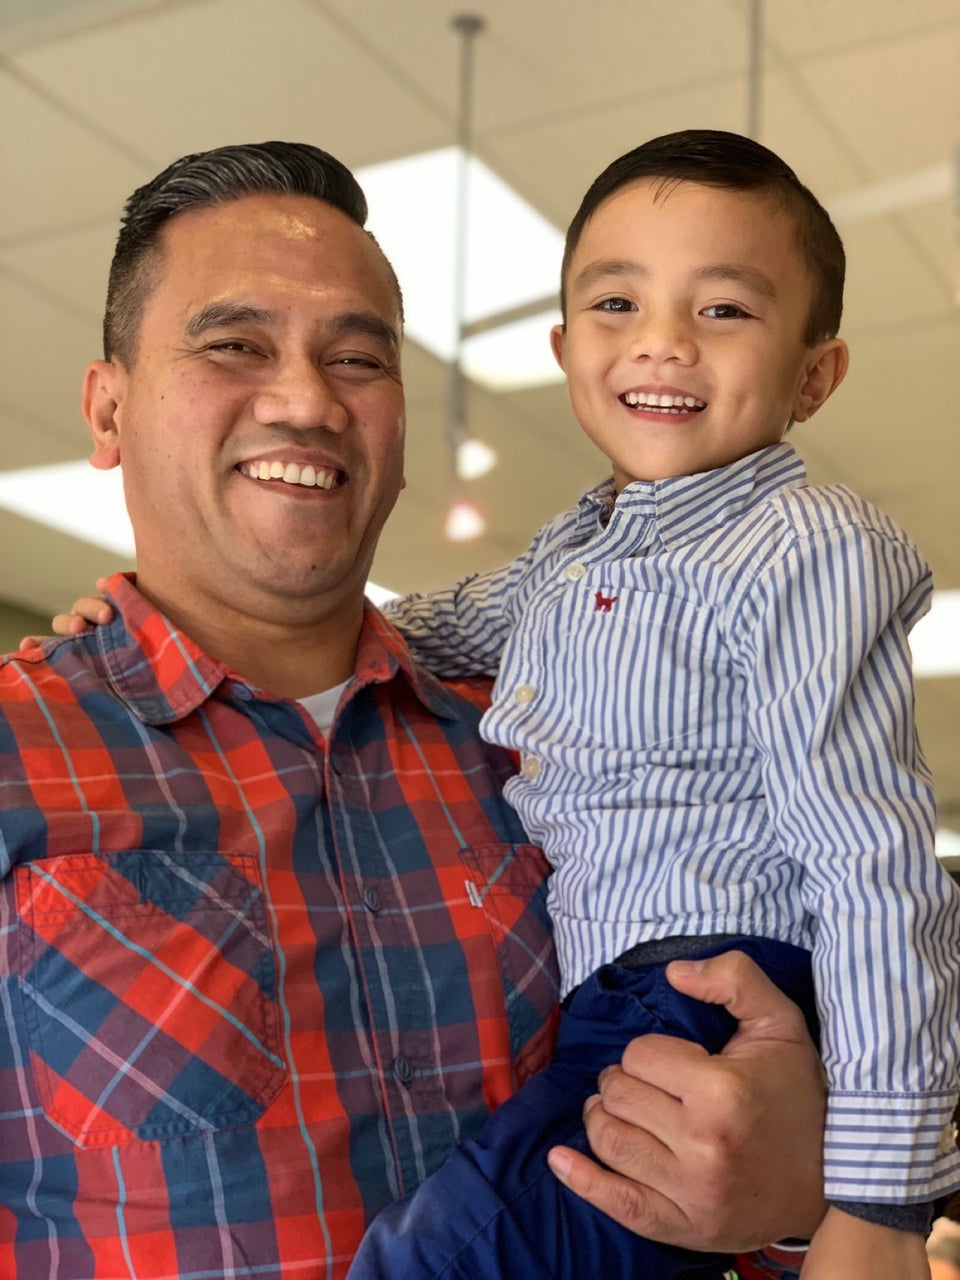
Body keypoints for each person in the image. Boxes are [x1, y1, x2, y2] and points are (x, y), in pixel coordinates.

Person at [0, 141, 832, 1280]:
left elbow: (767, 1083)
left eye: (358, 358)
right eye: (235, 344)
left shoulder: (566, 739)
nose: (307, 400)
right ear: (108, 411)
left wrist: (801, 1197)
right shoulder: (21, 751)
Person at [340, 130, 960, 1278]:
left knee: (441, 1256)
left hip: (710, 988)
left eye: (723, 309)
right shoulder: (570, 554)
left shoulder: (802, 545)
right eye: (617, 302)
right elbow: (416, 627)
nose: (663, 339)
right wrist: (187, 621)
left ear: (813, 375)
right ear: (566, 348)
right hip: (614, 1003)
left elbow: (871, 862)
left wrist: (880, 1199)